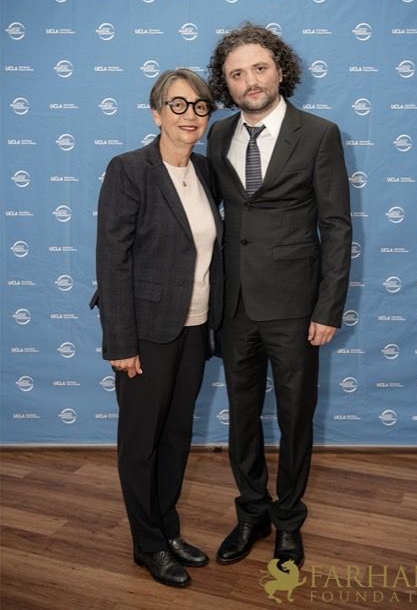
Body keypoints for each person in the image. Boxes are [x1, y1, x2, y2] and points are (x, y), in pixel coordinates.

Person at [206, 23, 352, 568]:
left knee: (295, 418)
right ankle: (252, 512)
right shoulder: (218, 135)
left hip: (295, 307)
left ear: (280, 70)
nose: (250, 80)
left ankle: (289, 519)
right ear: (225, 84)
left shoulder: (319, 134)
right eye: (236, 73)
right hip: (235, 304)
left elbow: (336, 227)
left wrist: (328, 307)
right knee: (242, 417)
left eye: (259, 68)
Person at [90, 69, 223, 588]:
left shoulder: (206, 170)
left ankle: (168, 530)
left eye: (200, 106)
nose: (190, 115)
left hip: (194, 328)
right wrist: (120, 342)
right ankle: (147, 545)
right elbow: (112, 260)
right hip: (145, 331)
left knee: (176, 436)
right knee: (141, 441)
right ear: (156, 113)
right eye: (178, 105)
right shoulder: (130, 170)